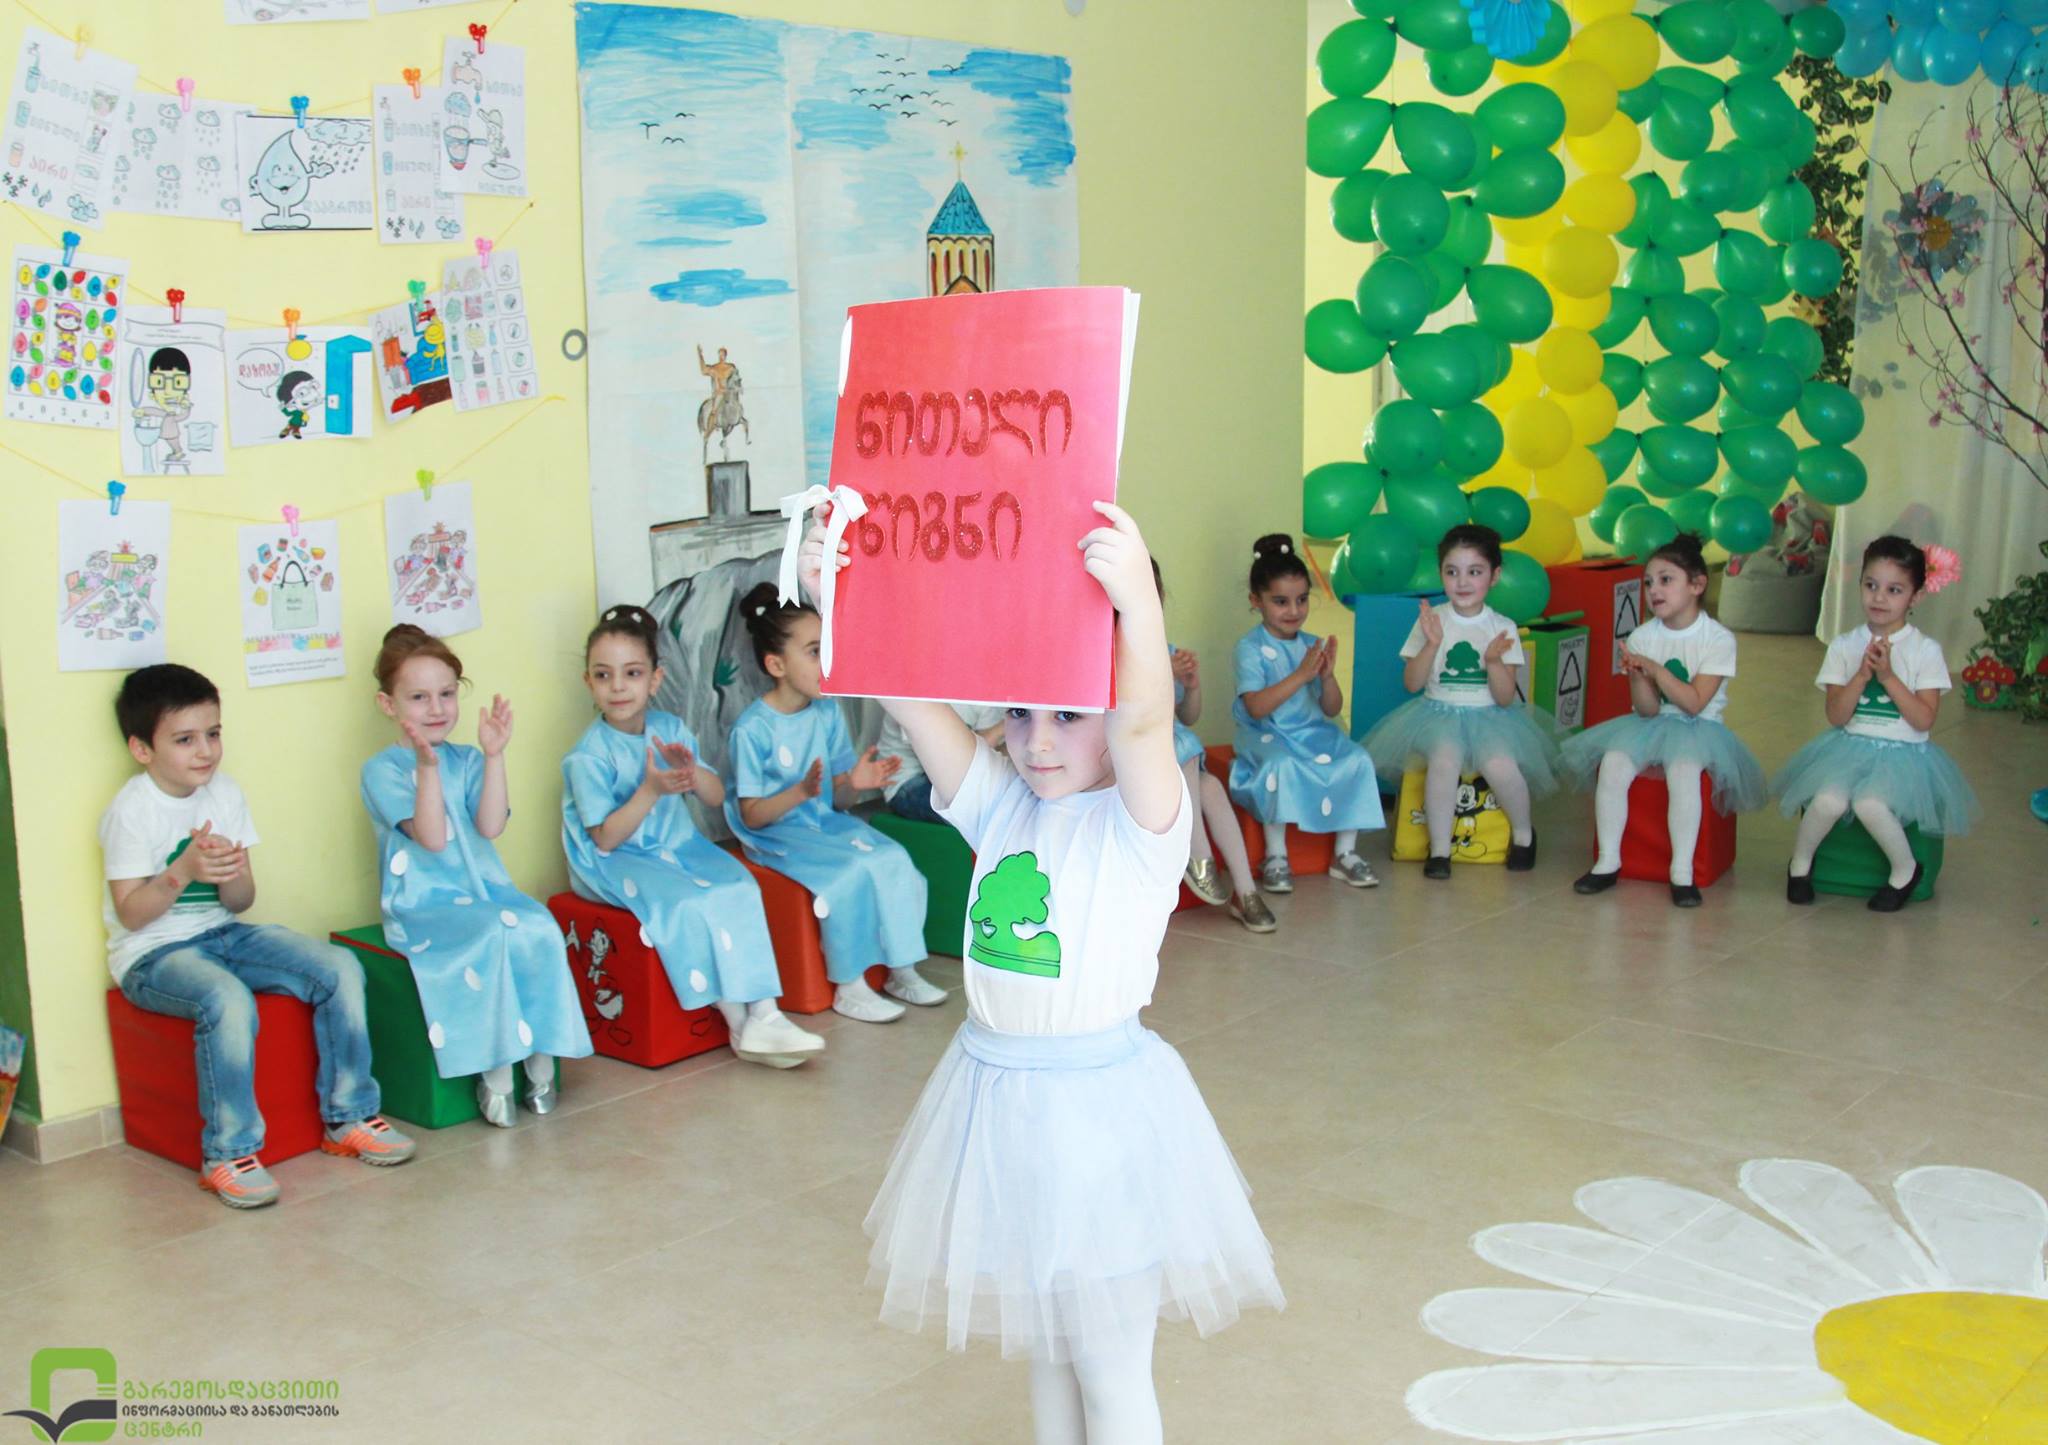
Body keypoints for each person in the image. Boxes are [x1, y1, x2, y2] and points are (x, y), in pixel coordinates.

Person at [816, 502, 1282, 1445]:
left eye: (1069, 714)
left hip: (1098, 1121)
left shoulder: (1141, 823)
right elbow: (907, 697)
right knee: (1049, 1352)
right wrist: (842, 589)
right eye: (1021, 711)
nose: (1036, 740)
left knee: (1109, 1368)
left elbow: (1144, 726)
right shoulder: (1002, 804)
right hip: (1003, 1113)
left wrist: (1138, 609)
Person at [102, 664, 413, 1209]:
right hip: (151, 955)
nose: (206, 751)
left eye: (213, 733)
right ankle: (228, 1153)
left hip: (224, 931)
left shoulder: (224, 793)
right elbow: (131, 915)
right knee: (226, 998)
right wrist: (183, 871)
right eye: (185, 739)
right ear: (142, 749)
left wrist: (233, 870)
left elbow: (241, 902)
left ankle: (350, 1116)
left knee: (339, 966)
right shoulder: (130, 811)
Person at [562, 605, 824, 1067]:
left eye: (632, 673)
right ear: (589, 682)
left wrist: (690, 772)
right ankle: (739, 1024)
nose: (618, 686)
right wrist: (650, 789)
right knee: (687, 902)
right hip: (615, 860)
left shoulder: (670, 730)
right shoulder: (588, 756)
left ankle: (766, 1012)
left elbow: (716, 794)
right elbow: (604, 838)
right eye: (604, 675)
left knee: (739, 885)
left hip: (675, 847)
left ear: (655, 680)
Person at [361, 626, 591, 1126]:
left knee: (538, 925)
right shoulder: (382, 770)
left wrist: (493, 755)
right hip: (422, 904)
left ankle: (541, 1060)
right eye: (419, 697)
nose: (436, 708)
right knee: (493, 933)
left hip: (485, 891)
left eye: (446, 694)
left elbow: (489, 826)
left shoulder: (464, 759)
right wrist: (426, 769)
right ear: (388, 704)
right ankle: (497, 1074)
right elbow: (431, 838)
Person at [725, 582, 943, 1020]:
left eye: (827, 647)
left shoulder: (826, 710)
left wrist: (856, 782)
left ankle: (902, 969)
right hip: (777, 834)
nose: (826, 660)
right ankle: (850, 985)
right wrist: (800, 793)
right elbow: (752, 815)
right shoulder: (752, 730)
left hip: (823, 822)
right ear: (776, 664)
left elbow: (839, 798)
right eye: (813, 651)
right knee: (845, 877)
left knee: (893, 859)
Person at [1561, 533, 1767, 906]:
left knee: (1683, 770)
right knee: (1613, 763)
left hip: (1698, 727)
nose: (1654, 590)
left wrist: (1655, 669)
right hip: (1651, 725)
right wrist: (1638, 676)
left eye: (1666, 580)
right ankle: (1608, 861)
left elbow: (1694, 703)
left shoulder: (1717, 639)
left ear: (1697, 585)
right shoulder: (1642, 636)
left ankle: (1682, 873)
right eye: (1648, 582)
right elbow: (1647, 710)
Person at [1776, 536, 1980, 911]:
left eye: (1894, 590)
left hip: (1904, 753)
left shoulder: (1925, 650)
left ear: (1916, 596)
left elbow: (1923, 719)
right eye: (1871, 585)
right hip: (1849, 746)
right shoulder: (1843, 645)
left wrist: (1887, 676)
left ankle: (1905, 870)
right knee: (1827, 801)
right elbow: (1837, 716)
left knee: (1870, 804)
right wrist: (1860, 676)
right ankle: (1800, 866)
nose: (1879, 598)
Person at [1364, 523, 1562, 879]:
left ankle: (1524, 834)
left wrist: (1494, 661)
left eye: (1475, 572)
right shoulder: (1432, 620)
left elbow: (1505, 698)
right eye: (1452, 572)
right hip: (1437, 713)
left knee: (1500, 764)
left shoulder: (1502, 626)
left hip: (1489, 715)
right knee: (1444, 760)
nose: (1462, 582)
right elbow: (1411, 683)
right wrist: (1432, 644)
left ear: (1494, 576)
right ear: (1441, 573)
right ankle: (1440, 849)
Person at [1227, 533, 1384, 895]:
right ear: (1256, 601)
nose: (1293, 611)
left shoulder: (1311, 644)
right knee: (1280, 765)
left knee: (1358, 759)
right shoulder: (1250, 648)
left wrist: (1326, 677)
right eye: (1280, 601)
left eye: (1301, 600)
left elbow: (1331, 708)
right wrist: (1301, 675)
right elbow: (1256, 707)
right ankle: (1276, 855)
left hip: (1312, 731)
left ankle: (1345, 853)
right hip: (1265, 733)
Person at [1156, 560, 1268, 932]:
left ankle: (1245, 892)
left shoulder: (1167, 650)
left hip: (1174, 754)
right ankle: (1198, 852)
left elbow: (1188, 716)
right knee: (1183, 744)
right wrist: (1161, 673)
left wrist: (1191, 685)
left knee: (1211, 786)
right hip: (1133, 753)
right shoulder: (1107, 652)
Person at [877, 703, 1004, 825]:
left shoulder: (982, 695)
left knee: (1005, 802)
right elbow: (948, 764)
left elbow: (990, 755)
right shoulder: (917, 697)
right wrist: (1001, 728)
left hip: (951, 775)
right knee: (984, 813)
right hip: (907, 782)